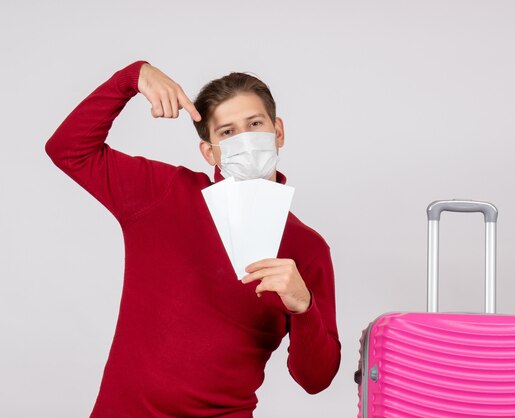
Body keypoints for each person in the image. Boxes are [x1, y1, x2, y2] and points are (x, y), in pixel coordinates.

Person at [45, 60, 341, 418]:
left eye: (255, 124)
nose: (245, 139)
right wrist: (130, 78)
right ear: (209, 151)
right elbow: (68, 150)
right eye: (228, 132)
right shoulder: (165, 193)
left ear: (277, 131)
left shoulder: (306, 248)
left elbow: (316, 379)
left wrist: (303, 306)